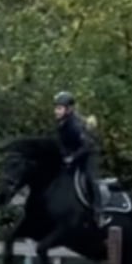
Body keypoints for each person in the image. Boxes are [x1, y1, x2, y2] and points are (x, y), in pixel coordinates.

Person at [53, 91, 104, 227]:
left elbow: (88, 145)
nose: (56, 111)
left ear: (68, 109)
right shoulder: (62, 123)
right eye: (56, 108)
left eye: (59, 108)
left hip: (89, 155)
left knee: (91, 179)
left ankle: (99, 212)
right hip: (75, 155)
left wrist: (72, 158)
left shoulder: (75, 125)